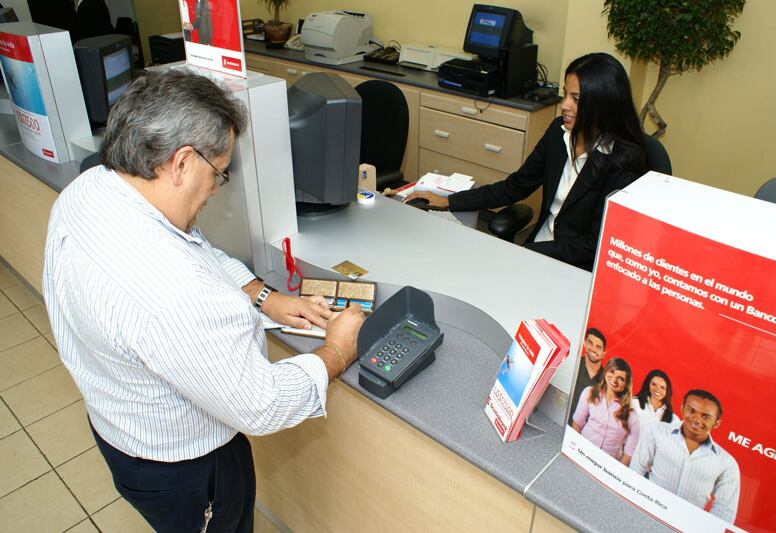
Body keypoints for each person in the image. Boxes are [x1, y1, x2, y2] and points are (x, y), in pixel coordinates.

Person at [42, 69, 364, 532]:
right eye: (218, 172)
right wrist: (337, 350)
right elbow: (262, 404)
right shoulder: (173, 289)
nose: (216, 188)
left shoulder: (91, 189)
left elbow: (195, 250)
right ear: (181, 162)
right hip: (186, 471)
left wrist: (265, 297)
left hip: (120, 432)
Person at [405, 52, 648, 271]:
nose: (564, 105)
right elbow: (515, 186)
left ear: (603, 104)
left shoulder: (624, 162)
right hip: (537, 251)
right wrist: (449, 201)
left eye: (576, 99)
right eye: (565, 94)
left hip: (575, 270)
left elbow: (595, 244)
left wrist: (527, 252)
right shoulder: (559, 134)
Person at [632, 390, 740, 523]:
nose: (696, 419)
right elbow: (636, 469)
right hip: (644, 515)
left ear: (716, 423)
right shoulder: (657, 431)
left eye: (705, 417)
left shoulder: (727, 463)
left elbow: (724, 511)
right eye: (691, 411)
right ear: (682, 409)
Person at [571, 357, 640, 466]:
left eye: (621, 378)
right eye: (612, 372)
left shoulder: (632, 415)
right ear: (606, 371)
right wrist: (574, 450)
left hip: (607, 466)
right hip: (581, 453)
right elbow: (577, 423)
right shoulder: (590, 392)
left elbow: (629, 452)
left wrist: (613, 471)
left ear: (626, 384)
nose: (614, 379)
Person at [568, 327, 607, 420]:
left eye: (598, 347)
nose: (593, 349)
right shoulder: (572, 366)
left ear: (603, 354)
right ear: (585, 343)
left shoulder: (607, 381)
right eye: (590, 342)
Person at [632, 369, 681, 436]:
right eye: (654, 384)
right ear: (648, 385)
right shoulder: (634, 404)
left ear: (667, 391)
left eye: (662, 387)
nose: (657, 389)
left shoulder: (674, 420)